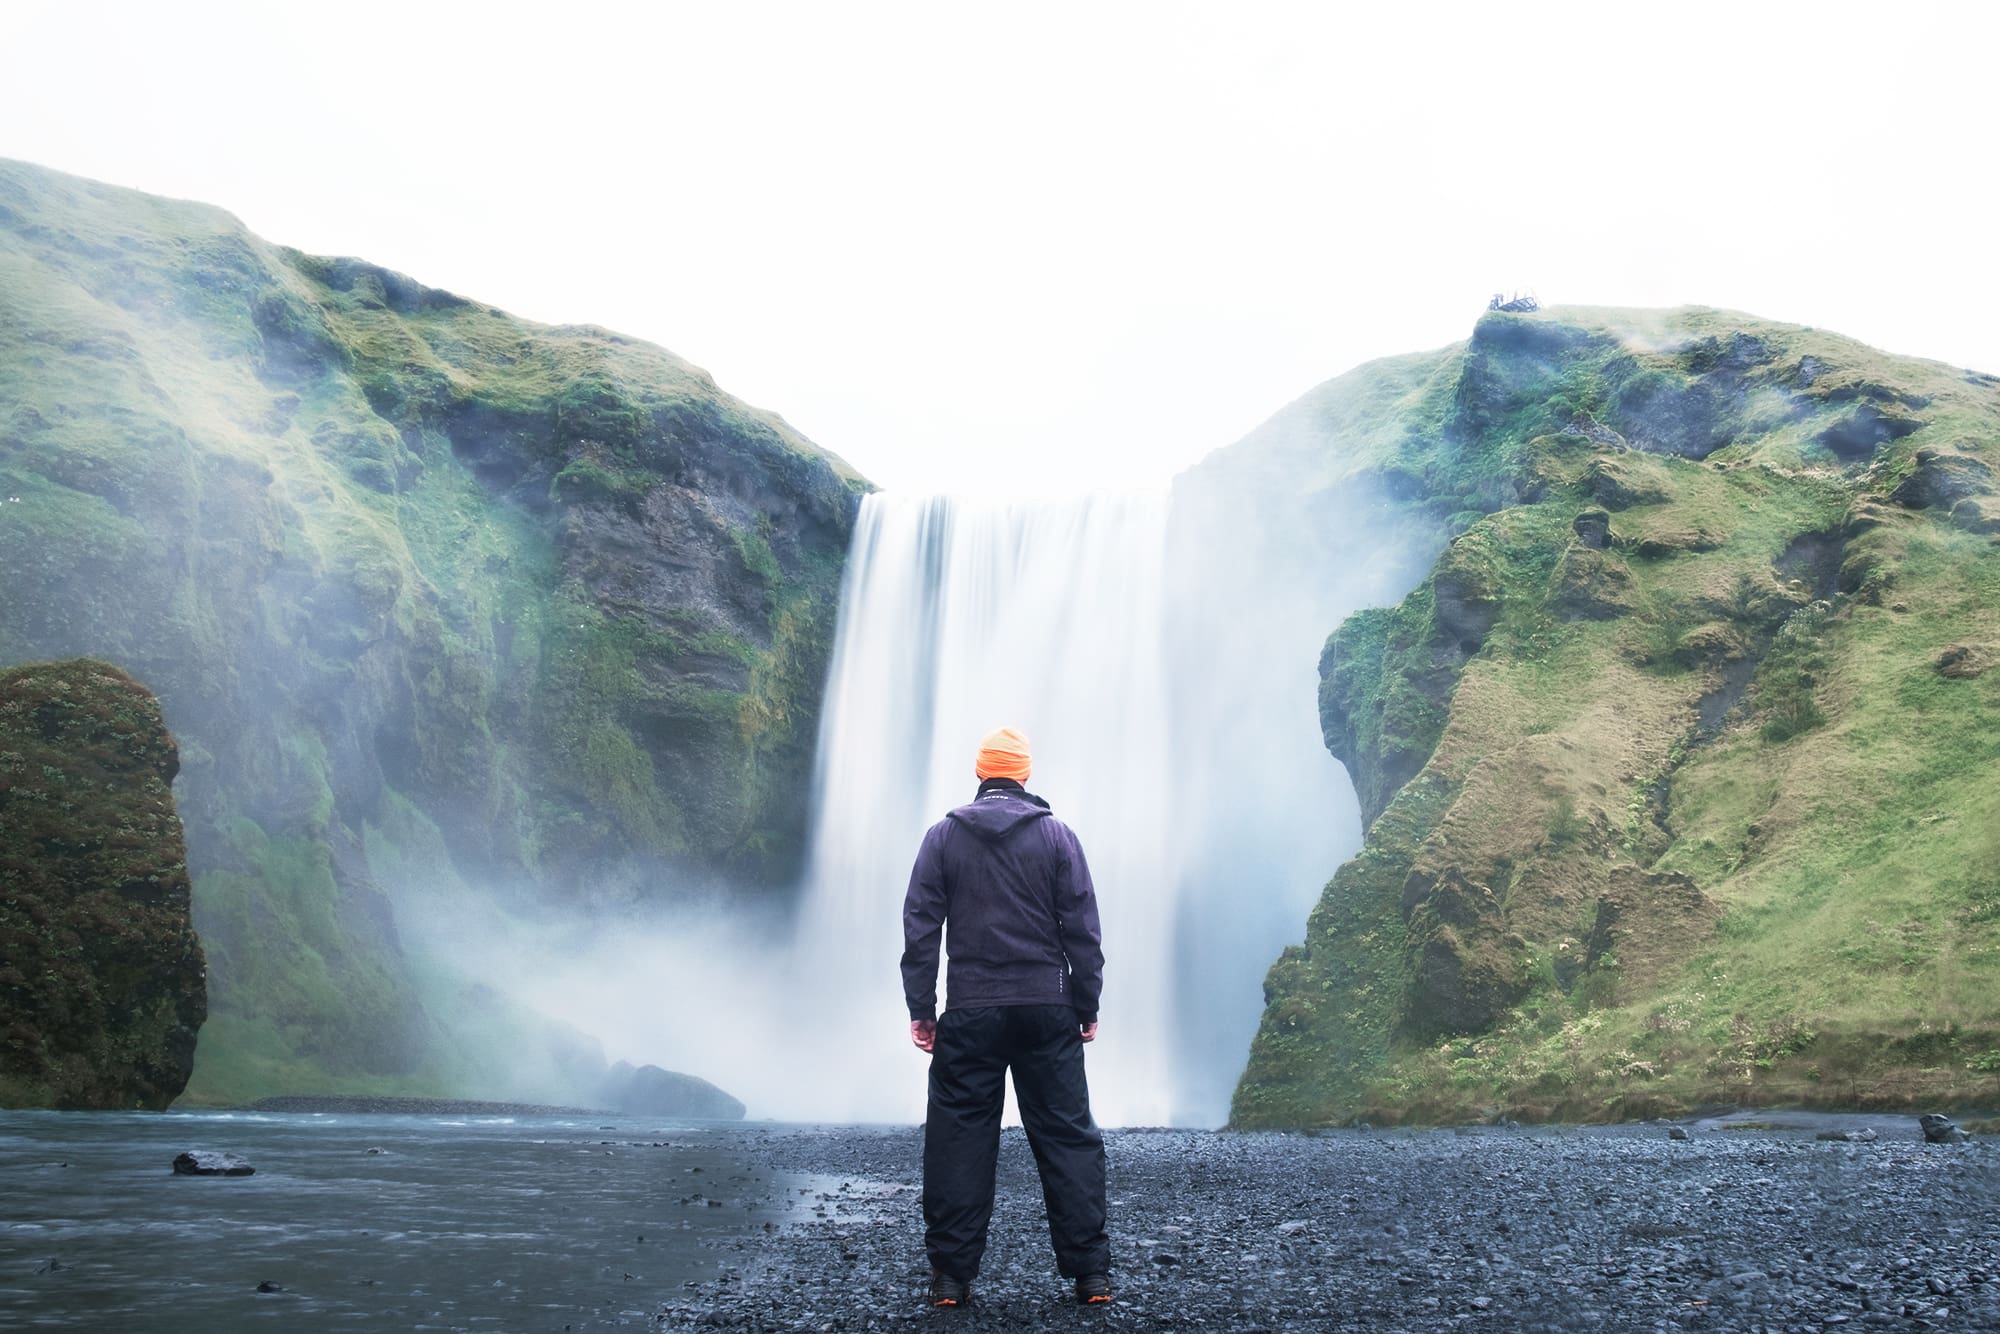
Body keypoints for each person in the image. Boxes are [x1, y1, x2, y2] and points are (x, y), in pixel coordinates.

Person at [900, 725, 1112, 1309]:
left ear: (980, 774)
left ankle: (951, 1280)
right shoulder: (1058, 838)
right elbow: (1083, 932)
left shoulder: (943, 838)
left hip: (971, 1009)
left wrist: (923, 1008)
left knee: (959, 1139)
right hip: (1047, 1007)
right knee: (1067, 1136)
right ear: (1023, 775)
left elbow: (921, 928)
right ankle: (1091, 1276)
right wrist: (1085, 1005)